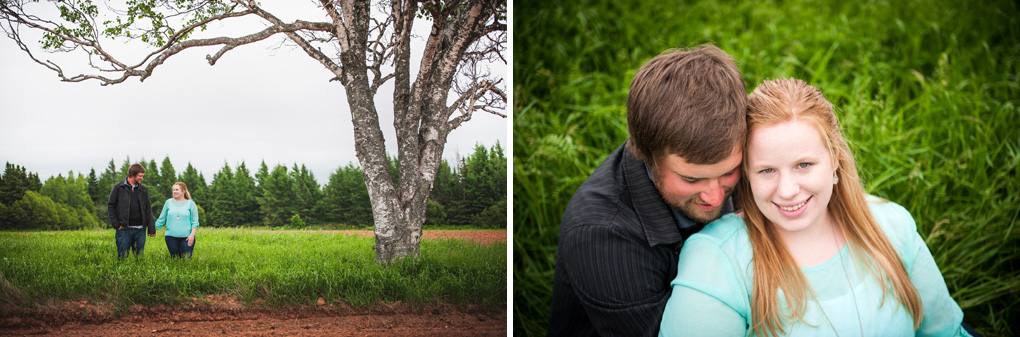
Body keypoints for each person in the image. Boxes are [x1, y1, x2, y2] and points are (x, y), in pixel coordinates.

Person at [659, 78, 970, 336]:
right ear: (747, 176)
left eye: (804, 165)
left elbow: (947, 332)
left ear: (834, 159)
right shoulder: (717, 258)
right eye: (767, 170)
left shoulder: (891, 225)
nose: (788, 190)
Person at [547, 44, 748, 336]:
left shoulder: (750, 158)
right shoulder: (601, 234)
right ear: (647, 154)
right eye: (691, 180)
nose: (716, 197)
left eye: (729, 172)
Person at [108, 163, 156, 259]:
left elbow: (147, 209)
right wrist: (116, 224)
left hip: (140, 230)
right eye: (140, 176)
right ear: (132, 175)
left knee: (139, 258)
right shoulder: (118, 188)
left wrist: (151, 227)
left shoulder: (143, 189)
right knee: (122, 257)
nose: (141, 178)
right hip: (124, 230)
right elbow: (111, 206)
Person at [154, 182, 200, 259]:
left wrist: (192, 235)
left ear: (183, 191)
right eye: (174, 190)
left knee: (186, 259)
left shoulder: (191, 204)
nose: (174, 191)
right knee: (175, 260)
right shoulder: (168, 202)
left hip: (187, 237)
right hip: (170, 237)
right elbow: (161, 218)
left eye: (177, 190)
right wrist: (153, 229)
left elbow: (195, 222)